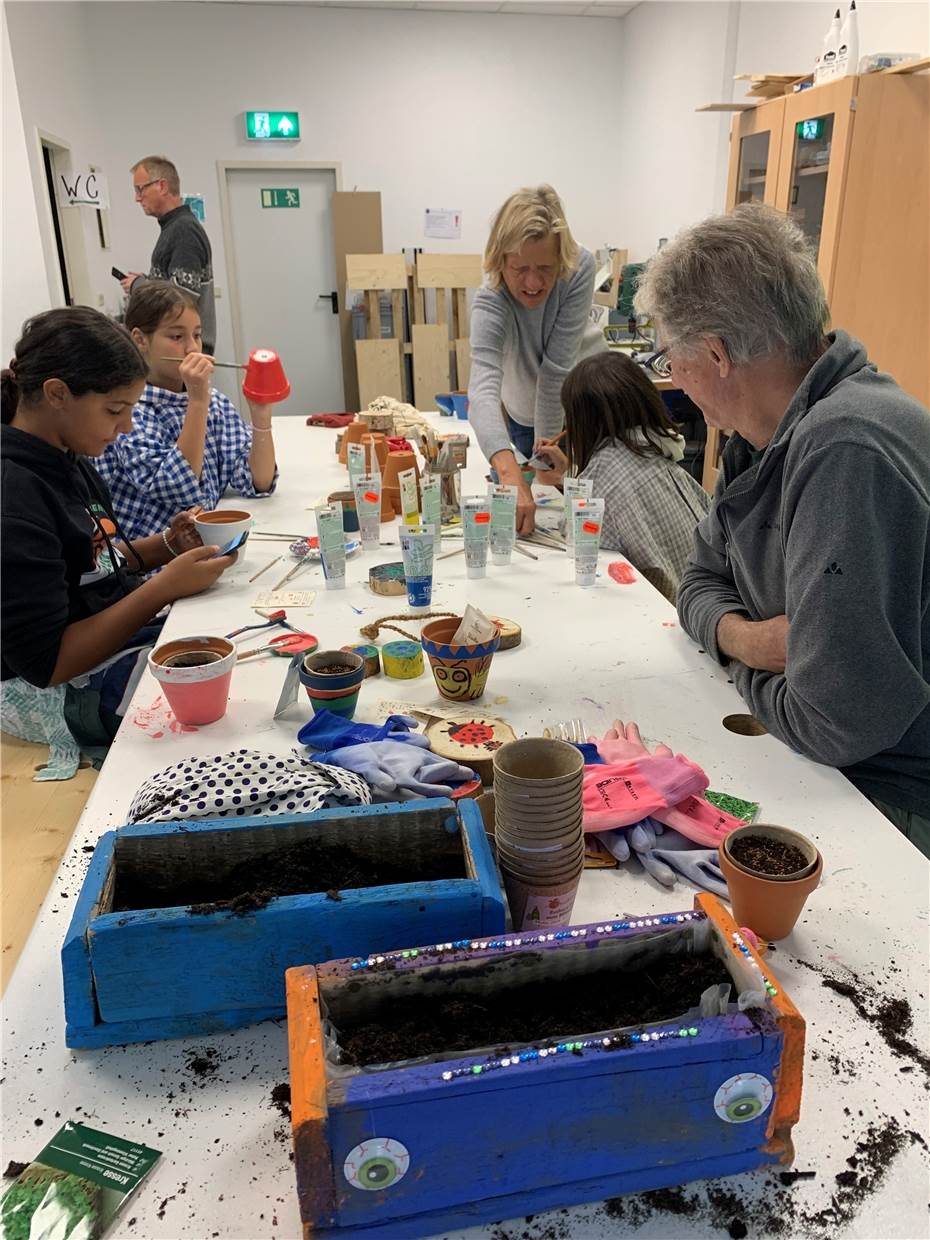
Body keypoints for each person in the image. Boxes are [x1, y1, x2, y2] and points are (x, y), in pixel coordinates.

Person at [634, 203, 930, 856]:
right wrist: (751, 640)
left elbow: (832, 722)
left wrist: (728, 658)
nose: (672, 380)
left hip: (888, 804)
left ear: (714, 355)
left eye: (668, 359)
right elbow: (699, 580)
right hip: (827, 760)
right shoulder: (765, 436)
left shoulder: (843, 449)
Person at [1, 307, 236, 772]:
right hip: (49, 690)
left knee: (230, 643)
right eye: (115, 410)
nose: (126, 426)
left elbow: (93, 565)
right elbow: (48, 664)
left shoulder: (66, 454)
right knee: (208, 711)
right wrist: (162, 587)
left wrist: (165, 546)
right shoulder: (14, 497)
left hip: (101, 641)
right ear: (57, 394)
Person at [468, 184, 605, 535]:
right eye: (520, 268)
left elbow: (557, 370)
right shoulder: (491, 299)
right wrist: (510, 472)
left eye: (545, 268)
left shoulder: (579, 268)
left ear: (561, 259)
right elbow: (482, 389)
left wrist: (545, 466)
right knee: (540, 511)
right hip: (524, 412)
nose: (532, 282)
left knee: (591, 517)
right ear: (501, 260)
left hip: (584, 403)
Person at [93, 282, 277, 542]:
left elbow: (259, 481)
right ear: (140, 340)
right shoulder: (128, 410)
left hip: (200, 550)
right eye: (177, 337)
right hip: (148, 565)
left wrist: (260, 415)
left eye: (198, 335)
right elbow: (177, 486)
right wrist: (198, 402)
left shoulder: (215, 403)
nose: (192, 348)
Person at [533, 351, 710, 603]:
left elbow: (577, 544)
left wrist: (578, 480)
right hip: (703, 598)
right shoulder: (656, 450)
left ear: (582, 421)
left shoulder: (604, 472)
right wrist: (571, 475)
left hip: (668, 613)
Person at [121, 156, 215, 354]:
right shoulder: (174, 227)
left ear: (162, 186)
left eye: (140, 189)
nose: (137, 198)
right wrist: (149, 280)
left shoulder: (183, 230)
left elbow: (182, 296)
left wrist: (138, 286)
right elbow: (174, 283)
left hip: (186, 352)